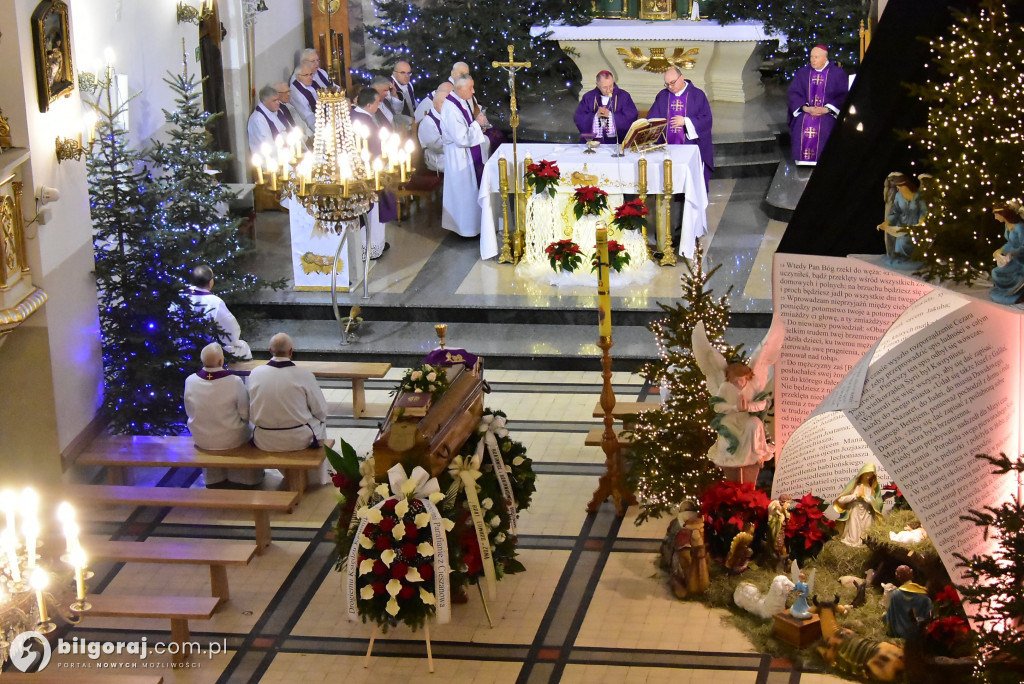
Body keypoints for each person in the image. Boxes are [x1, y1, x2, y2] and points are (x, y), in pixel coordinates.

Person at [647, 67, 713, 249]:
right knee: (669, 190)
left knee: (687, 191)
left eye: (673, 83)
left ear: (681, 77)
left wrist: (687, 122)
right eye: (667, 84)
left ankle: (689, 229)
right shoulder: (663, 96)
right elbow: (652, 119)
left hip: (690, 152)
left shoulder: (697, 95)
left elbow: (707, 120)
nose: (670, 87)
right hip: (667, 152)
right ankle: (668, 231)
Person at [184, 343, 260, 489]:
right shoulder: (234, 381)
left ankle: (214, 480)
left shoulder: (190, 380)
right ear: (221, 361)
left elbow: (189, 411)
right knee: (252, 431)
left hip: (202, 438)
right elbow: (245, 413)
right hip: (232, 437)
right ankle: (246, 480)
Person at [248, 333, 328, 452]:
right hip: (298, 440)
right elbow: (321, 411)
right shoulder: (304, 374)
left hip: (264, 440)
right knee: (321, 424)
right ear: (291, 351)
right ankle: (322, 470)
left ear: (270, 351)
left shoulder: (255, 373)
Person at [441, 75, 490, 237]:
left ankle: (473, 227)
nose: (473, 91)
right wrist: (477, 124)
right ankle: (465, 230)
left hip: (465, 154)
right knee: (463, 194)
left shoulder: (461, 101)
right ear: (460, 89)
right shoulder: (450, 108)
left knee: (469, 193)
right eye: (470, 88)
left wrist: (477, 124)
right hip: (459, 156)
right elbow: (461, 138)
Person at [349, 87, 395, 258]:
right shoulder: (364, 121)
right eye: (377, 102)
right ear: (369, 104)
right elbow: (374, 148)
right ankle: (371, 247)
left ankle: (375, 244)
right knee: (372, 211)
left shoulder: (355, 115)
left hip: (364, 171)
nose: (378, 105)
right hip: (369, 173)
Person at [788, 45, 848, 165]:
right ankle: (802, 160)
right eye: (811, 57)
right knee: (801, 122)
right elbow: (794, 93)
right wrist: (805, 108)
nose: (813, 60)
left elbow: (843, 95)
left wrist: (827, 109)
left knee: (826, 125)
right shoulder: (803, 72)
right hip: (807, 110)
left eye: (816, 57)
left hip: (828, 112)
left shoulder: (838, 73)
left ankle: (824, 160)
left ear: (825, 59)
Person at [188, 264, 252, 360]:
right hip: (205, 349)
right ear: (210, 282)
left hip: (179, 347)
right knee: (243, 348)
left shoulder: (178, 297)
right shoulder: (215, 302)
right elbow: (231, 331)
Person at [573, 71, 638, 145]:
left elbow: (631, 116)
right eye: (605, 87)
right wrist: (595, 116)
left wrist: (611, 116)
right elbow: (579, 118)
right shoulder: (588, 97)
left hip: (617, 143)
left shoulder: (624, 96)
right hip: (593, 144)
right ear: (597, 85)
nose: (609, 90)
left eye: (611, 86)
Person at [828, 462, 883, 547]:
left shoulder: (872, 488)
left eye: (871, 474)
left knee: (866, 531)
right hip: (855, 510)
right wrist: (854, 496)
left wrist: (869, 500)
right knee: (854, 534)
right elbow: (841, 499)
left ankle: (865, 544)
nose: (868, 476)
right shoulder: (854, 486)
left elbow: (879, 502)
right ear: (862, 473)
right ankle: (854, 543)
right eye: (866, 474)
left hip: (867, 512)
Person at [877, 173, 927, 267]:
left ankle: (911, 261)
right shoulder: (898, 196)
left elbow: (924, 211)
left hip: (915, 228)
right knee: (899, 245)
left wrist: (922, 220)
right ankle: (902, 261)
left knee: (906, 242)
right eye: (898, 186)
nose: (899, 188)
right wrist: (887, 222)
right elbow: (895, 212)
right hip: (902, 227)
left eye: (901, 186)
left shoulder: (918, 196)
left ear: (907, 185)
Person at [883, 565, 932, 639]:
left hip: (900, 634)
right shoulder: (924, 595)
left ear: (898, 578)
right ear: (912, 574)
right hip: (918, 636)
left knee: (884, 616)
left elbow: (891, 616)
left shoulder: (896, 594)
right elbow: (929, 616)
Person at [989, 203, 1024, 304]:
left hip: (1021, 259)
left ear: (1003, 214)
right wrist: (1001, 250)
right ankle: (1005, 291)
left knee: (997, 272)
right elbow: (1010, 242)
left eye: (996, 215)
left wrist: (1012, 254)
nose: (995, 218)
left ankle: (1015, 293)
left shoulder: (1020, 227)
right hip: (1013, 257)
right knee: (996, 271)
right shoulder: (1007, 225)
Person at [247, 85, 292, 153]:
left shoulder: (277, 111)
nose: (278, 103)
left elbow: (289, 129)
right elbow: (268, 145)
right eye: (274, 100)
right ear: (264, 101)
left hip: (288, 151)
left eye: (278, 100)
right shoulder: (258, 119)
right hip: (271, 158)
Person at [418, 84, 452, 174]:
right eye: (444, 104)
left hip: (449, 152)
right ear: (436, 104)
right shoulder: (428, 122)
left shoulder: (447, 116)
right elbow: (436, 146)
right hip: (436, 158)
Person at [290, 65, 320, 130]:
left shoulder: (311, 83)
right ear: (298, 77)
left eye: (311, 74)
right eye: (306, 75)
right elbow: (306, 115)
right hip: (312, 122)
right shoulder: (296, 92)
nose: (310, 78)